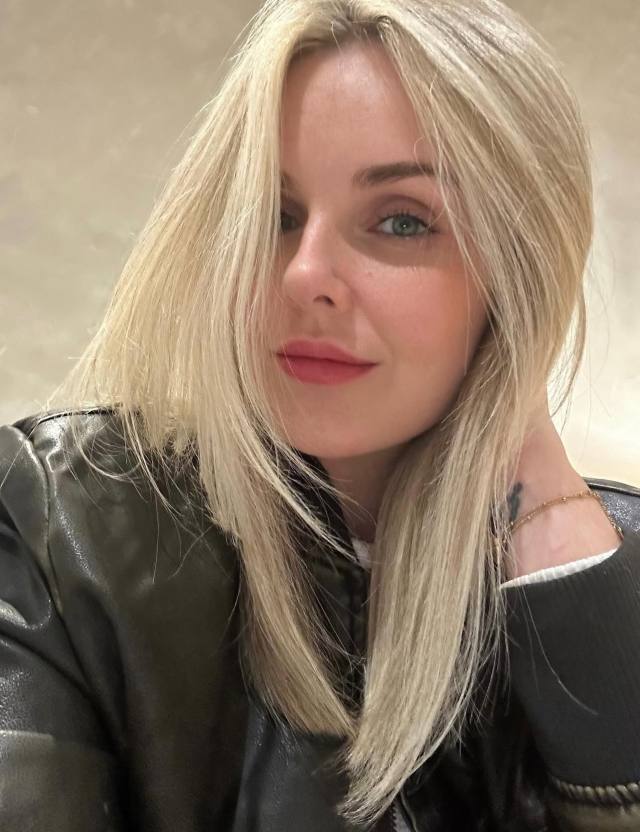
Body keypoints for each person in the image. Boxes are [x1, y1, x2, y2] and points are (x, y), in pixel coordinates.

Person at [1, 0, 639, 829]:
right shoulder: (58, 532)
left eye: (402, 221)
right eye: (274, 215)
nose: (304, 275)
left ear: (520, 277)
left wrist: (558, 550)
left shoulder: (605, 571)